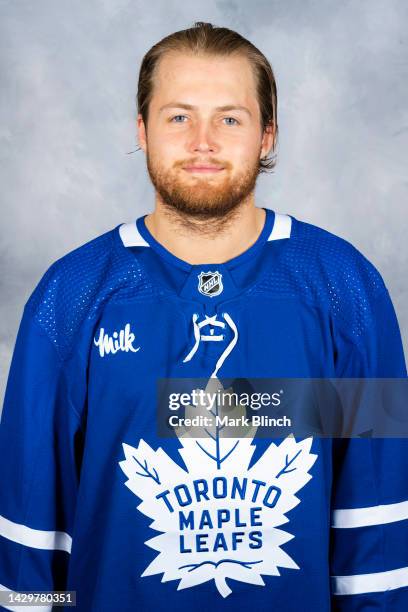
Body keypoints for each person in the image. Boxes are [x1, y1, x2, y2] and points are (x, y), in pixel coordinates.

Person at [0, 21, 407, 612]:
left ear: (268, 136)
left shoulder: (347, 290)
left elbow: (375, 521)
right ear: (141, 130)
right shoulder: (71, 296)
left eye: (230, 118)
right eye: (178, 116)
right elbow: (33, 533)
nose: (203, 141)